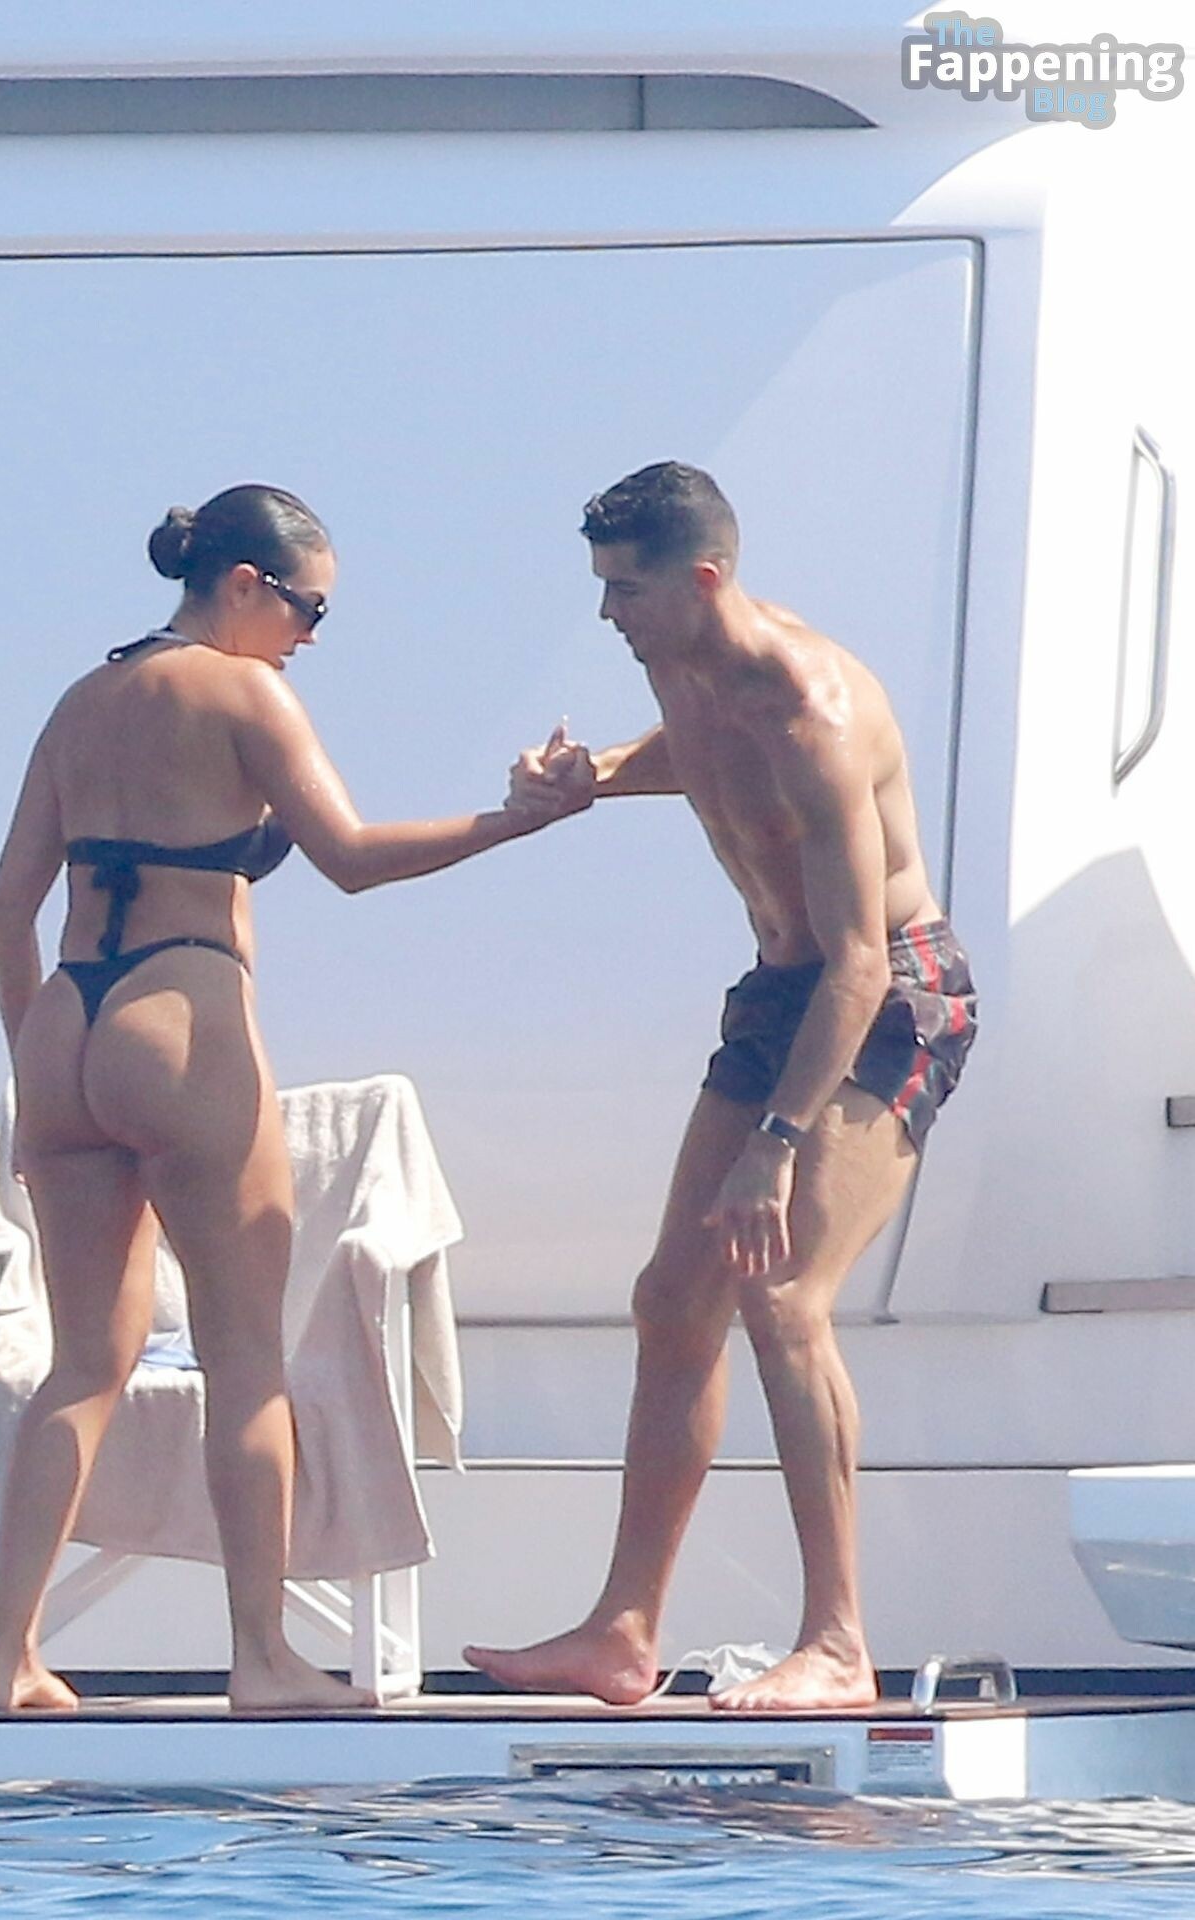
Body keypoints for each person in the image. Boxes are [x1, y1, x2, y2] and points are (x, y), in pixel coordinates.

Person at [0, 483, 589, 1713]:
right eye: (310, 609)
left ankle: (6, 1658)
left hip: (63, 1029)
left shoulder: (81, 700)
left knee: (81, 1367)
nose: (312, 636)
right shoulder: (246, 693)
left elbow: (4, 911)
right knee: (246, 1358)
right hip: (180, 1013)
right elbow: (351, 858)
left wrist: (41, 1075)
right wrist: (514, 823)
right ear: (246, 584)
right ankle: (262, 1657)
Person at [464, 462, 976, 1713]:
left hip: (888, 997)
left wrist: (777, 1143)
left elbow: (860, 963)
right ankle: (621, 1632)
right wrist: (591, 778)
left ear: (702, 579)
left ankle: (838, 1644)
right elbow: (700, 754)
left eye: (627, 590)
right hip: (779, 992)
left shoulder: (813, 711)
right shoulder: (679, 665)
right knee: (672, 1299)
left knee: (784, 1297)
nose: (608, 615)